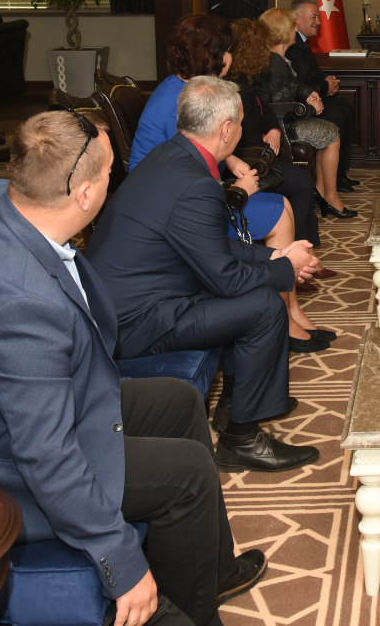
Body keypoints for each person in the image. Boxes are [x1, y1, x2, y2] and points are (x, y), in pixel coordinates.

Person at [0, 110, 268, 626]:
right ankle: (191, 615)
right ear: (83, 195)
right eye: (107, 175)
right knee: (188, 474)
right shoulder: (20, 308)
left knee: (179, 400)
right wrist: (120, 562)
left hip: (50, 399)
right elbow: (45, 456)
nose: (113, 184)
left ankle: (208, 572)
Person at [90, 77, 324, 472]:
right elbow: (225, 279)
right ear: (227, 129)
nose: (242, 130)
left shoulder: (170, 157)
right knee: (264, 306)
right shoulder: (195, 182)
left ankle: (234, 406)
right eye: (241, 123)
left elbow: (209, 247)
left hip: (133, 301)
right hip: (136, 322)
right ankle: (241, 439)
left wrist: (274, 255)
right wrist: (286, 267)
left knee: (254, 294)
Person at [130, 13, 315, 247]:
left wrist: (230, 159)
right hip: (167, 209)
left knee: (282, 205)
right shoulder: (184, 102)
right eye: (227, 51)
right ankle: (283, 267)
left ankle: (290, 263)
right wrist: (239, 190)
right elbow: (191, 172)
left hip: (175, 195)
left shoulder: (185, 88)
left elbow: (194, 150)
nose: (231, 57)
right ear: (212, 55)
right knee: (277, 213)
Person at [246, 10, 355, 219]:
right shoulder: (275, 63)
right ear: (283, 30)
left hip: (283, 122)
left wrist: (309, 94)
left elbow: (295, 85)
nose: (296, 29)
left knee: (328, 129)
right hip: (282, 127)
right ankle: (330, 196)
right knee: (331, 133)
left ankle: (321, 191)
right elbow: (280, 106)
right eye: (293, 26)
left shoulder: (276, 58)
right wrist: (312, 109)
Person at [288, 0, 359, 192]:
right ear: (296, 19)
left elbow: (312, 73)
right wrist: (325, 85)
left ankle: (339, 175)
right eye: (314, 17)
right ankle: (333, 180)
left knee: (344, 109)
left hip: (312, 98)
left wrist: (328, 81)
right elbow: (302, 80)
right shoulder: (293, 46)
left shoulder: (302, 41)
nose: (318, 22)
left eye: (318, 17)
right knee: (339, 113)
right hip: (301, 106)